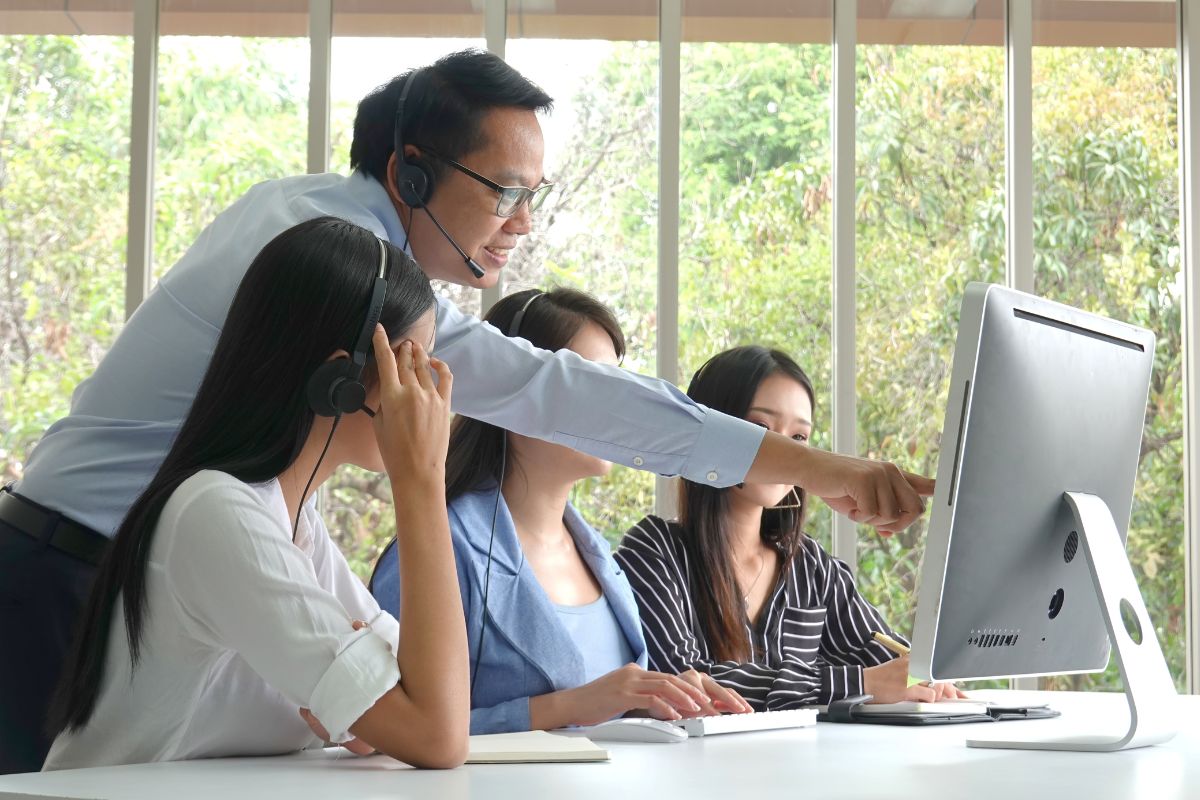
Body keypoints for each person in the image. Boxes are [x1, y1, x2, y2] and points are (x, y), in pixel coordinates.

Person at [0, 49, 929, 772]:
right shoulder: (335, 269)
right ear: (409, 174)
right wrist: (815, 468)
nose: (523, 222)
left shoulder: (293, 498)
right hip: (69, 572)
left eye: (537, 194)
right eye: (506, 191)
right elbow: (551, 388)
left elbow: (411, 700)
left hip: (124, 567)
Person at [42, 218, 469, 770]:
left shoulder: (297, 524)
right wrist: (421, 482)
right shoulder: (216, 513)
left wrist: (383, 713)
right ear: (340, 384)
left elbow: (431, 702)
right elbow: (439, 735)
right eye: (412, 366)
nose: (430, 393)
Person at [371, 288, 751, 734]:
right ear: (516, 396)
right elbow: (389, 734)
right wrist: (566, 706)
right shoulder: (439, 549)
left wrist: (657, 699)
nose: (617, 409)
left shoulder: (599, 557)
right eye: (591, 386)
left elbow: (603, 715)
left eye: (619, 387)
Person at [615, 346, 964, 710]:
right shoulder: (654, 549)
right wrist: (857, 682)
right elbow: (680, 680)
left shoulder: (810, 565)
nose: (784, 453)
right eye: (760, 430)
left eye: (798, 439)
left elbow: (887, 661)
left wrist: (924, 678)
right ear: (710, 436)